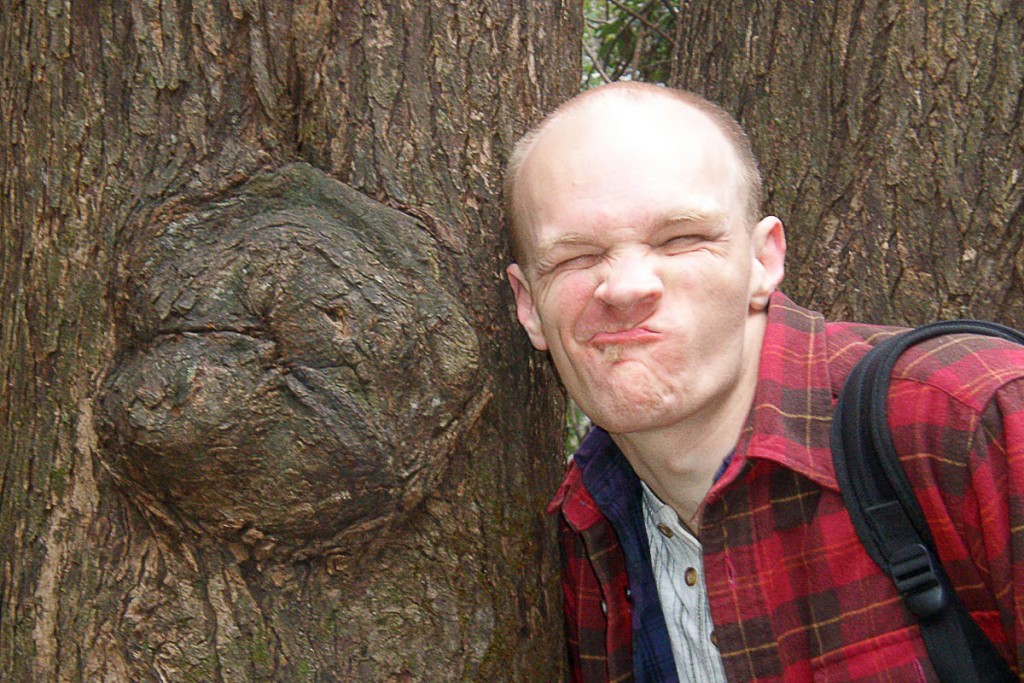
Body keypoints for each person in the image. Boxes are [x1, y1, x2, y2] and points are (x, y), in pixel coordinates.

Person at [504, 81, 1024, 682]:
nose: (624, 288)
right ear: (528, 306)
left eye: (680, 240)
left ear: (763, 262)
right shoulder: (586, 534)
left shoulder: (974, 418)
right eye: (575, 257)